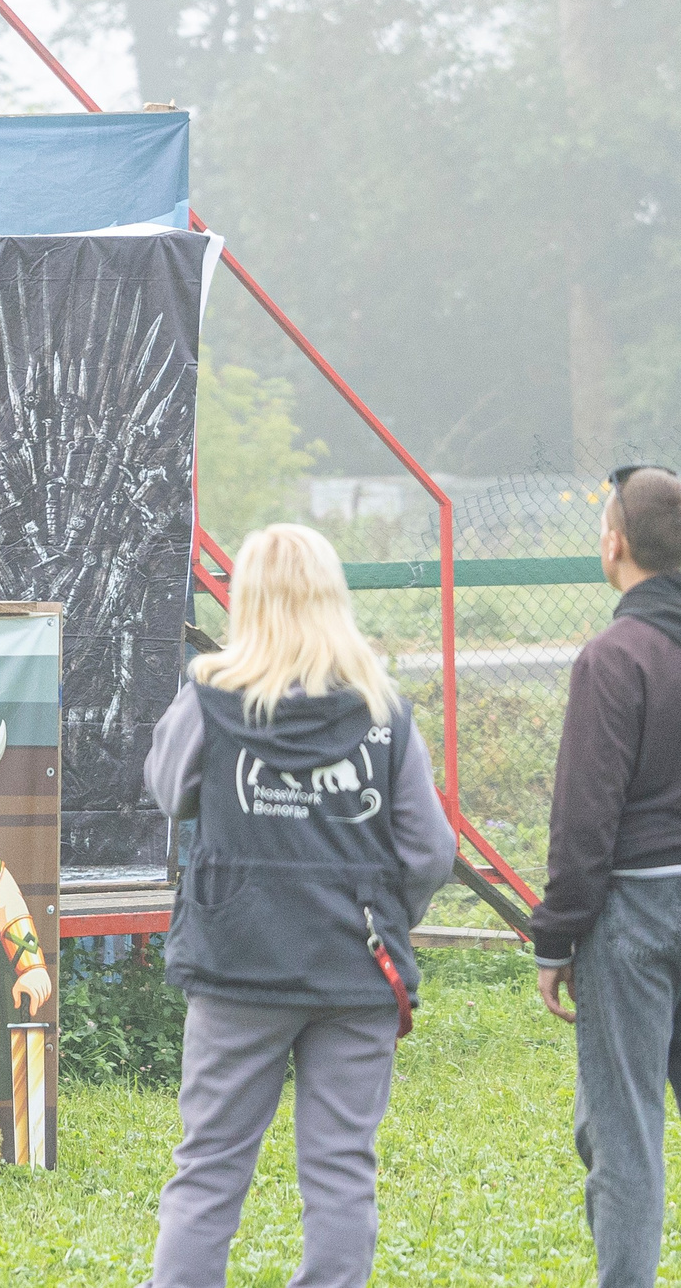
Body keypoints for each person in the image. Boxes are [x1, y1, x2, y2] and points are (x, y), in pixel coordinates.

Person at [144, 523, 455, 1287]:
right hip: (356, 971)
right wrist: (379, 911)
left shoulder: (212, 699)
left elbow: (167, 789)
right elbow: (431, 852)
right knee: (342, 1169)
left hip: (236, 966)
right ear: (332, 599)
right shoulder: (384, 713)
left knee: (210, 1167)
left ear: (247, 600)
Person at [532, 464, 681, 1288]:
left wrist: (556, 938)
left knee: (625, 1132)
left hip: (634, 913)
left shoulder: (614, 657)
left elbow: (583, 821)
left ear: (615, 543)